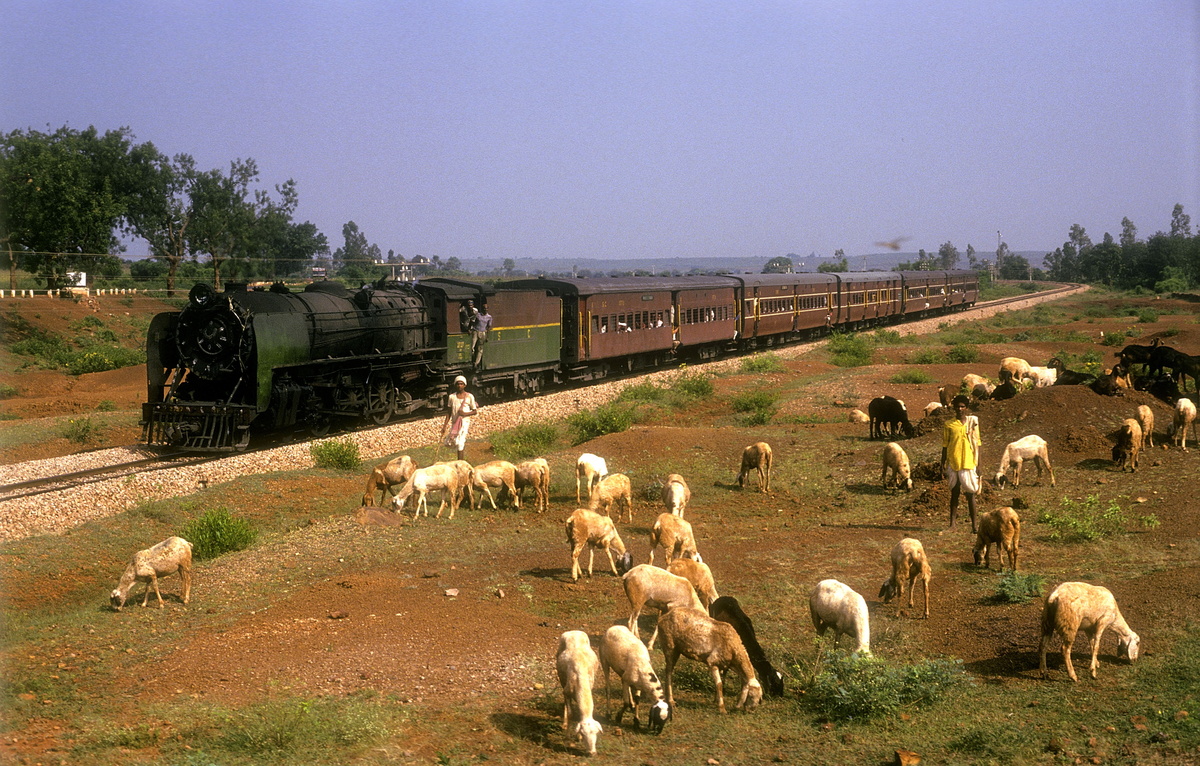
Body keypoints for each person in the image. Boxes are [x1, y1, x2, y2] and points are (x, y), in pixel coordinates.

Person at [940, 394, 981, 532]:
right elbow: (945, 445)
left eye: (962, 406)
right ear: (954, 408)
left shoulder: (972, 423)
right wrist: (942, 463)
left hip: (968, 462)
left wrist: (979, 464)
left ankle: (974, 526)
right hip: (953, 461)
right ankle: (952, 525)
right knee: (954, 492)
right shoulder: (949, 424)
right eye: (957, 406)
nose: (960, 409)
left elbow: (977, 443)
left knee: (970, 494)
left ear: (966, 408)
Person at [443, 375, 479, 461]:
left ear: (465, 385)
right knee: (453, 442)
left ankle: (460, 463)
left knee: (460, 443)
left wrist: (465, 414)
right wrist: (444, 425)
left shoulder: (469, 396)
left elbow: (475, 411)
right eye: (458, 384)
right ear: (455, 385)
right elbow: (449, 412)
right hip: (455, 423)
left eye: (461, 384)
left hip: (464, 422)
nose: (459, 386)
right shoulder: (452, 397)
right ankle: (460, 461)